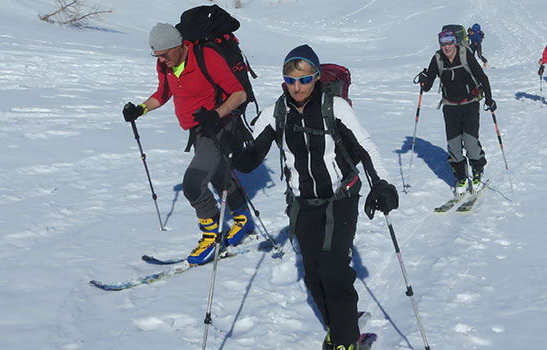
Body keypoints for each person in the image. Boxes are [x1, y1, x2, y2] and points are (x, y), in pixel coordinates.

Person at [229, 44, 398, 350]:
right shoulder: (275, 112)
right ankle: (341, 324)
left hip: (341, 197)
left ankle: (347, 342)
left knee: (334, 271)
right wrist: (227, 142)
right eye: (291, 80)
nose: (297, 86)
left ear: (316, 78)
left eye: (304, 79)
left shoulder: (335, 107)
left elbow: (366, 146)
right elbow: (249, 158)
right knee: (313, 277)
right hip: (302, 203)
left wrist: (381, 184)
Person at [122, 23, 255, 265]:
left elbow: (239, 94)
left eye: (165, 54)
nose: (162, 60)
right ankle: (243, 218)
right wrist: (140, 109)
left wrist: (216, 113)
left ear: (180, 45)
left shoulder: (207, 58)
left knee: (193, 184)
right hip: (199, 130)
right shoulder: (166, 66)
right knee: (217, 176)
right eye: (157, 56)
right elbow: (163, 93)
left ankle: (211, 237)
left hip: (220, 127)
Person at [418, 30, 496, 196]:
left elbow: (483, 78)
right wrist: (424, 80)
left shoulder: (465, 55)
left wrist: (489, 99)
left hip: (470, 105)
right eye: (443, 44)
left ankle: (477, 171)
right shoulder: (438, 59)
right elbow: (428, 85)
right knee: (453, 145)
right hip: (450, 107)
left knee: (470, 142)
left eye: (449, 43)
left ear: (455, 42)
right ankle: (461, 177)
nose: (447, 47)